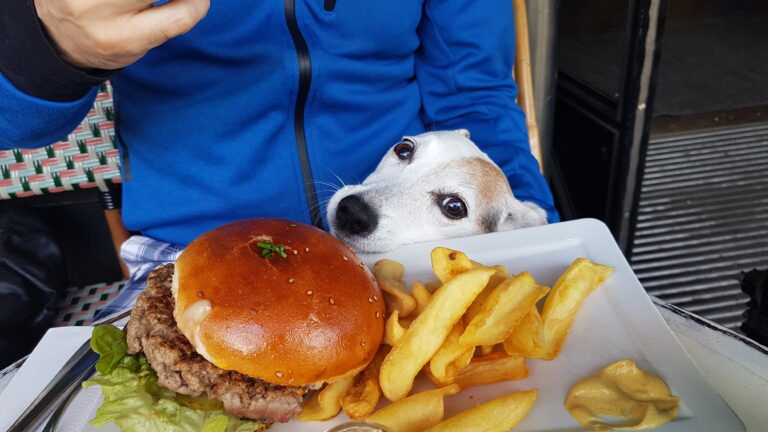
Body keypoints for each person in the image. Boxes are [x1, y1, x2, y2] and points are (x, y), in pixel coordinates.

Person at [0, 0, 559, 317]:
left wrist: (541, 243)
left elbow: (474, 96)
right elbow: (14, 127)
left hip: (405, 260)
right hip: (189, 255)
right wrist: (52, 46)